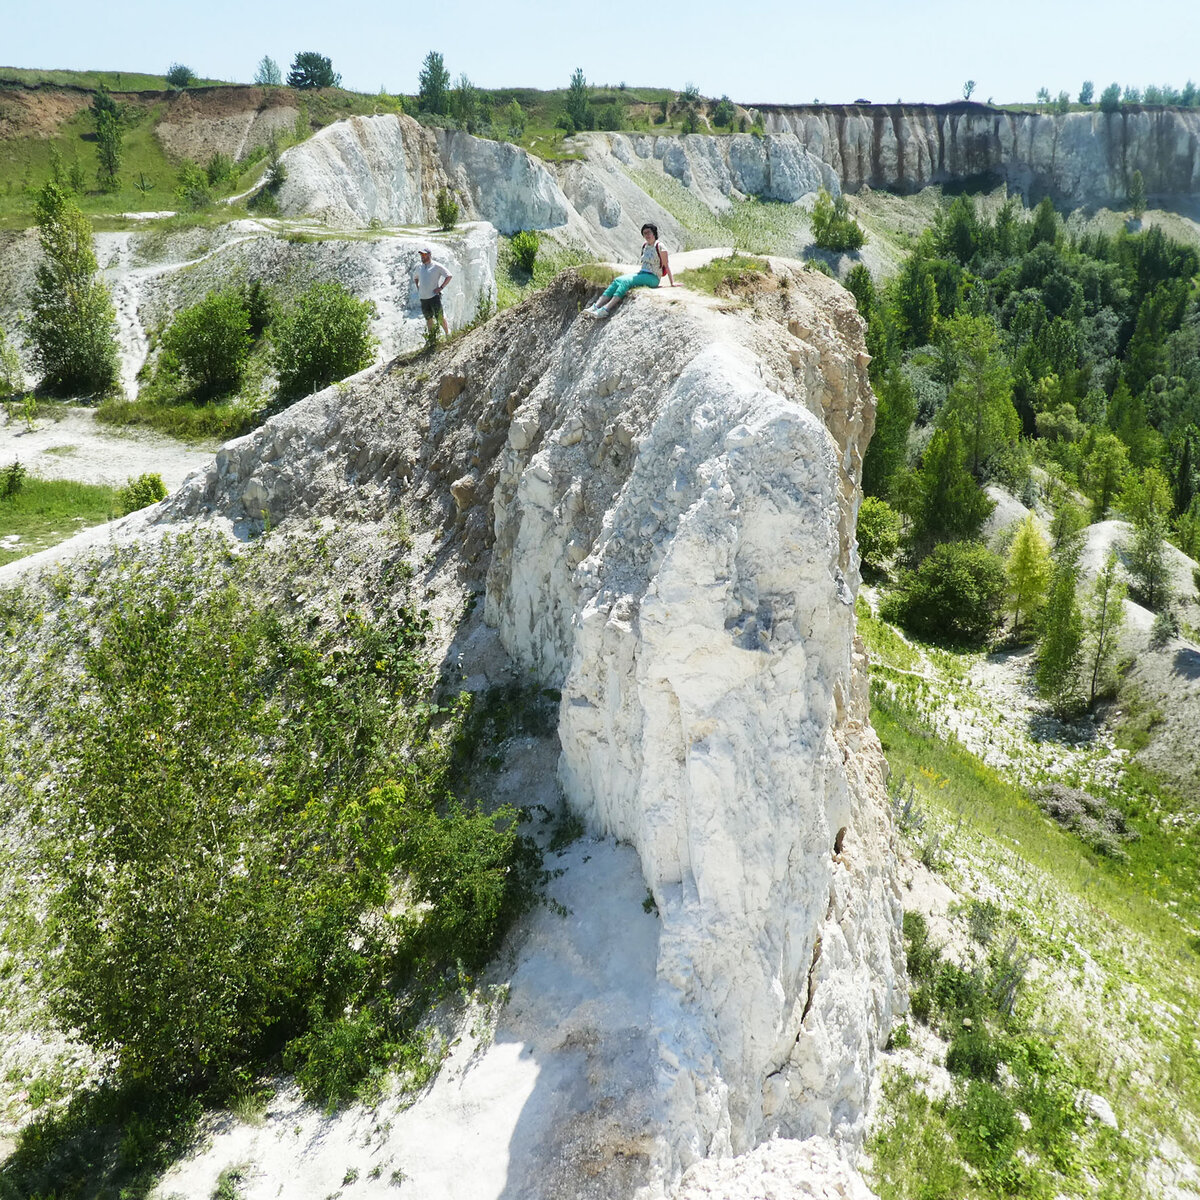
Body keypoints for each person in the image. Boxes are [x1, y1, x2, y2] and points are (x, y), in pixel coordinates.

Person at [584, 223, 677, 318]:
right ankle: (596, 306)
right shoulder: (645, 246)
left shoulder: (660, 246)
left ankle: (606, 309)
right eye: (644, 233)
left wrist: (672, 283)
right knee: (618, 280)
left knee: (627, 282)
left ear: (654, 233)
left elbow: (666, 265)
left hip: (653, 277)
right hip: (642, 274)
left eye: (649, 232)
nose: (647, 235)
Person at [414, 247, 452, 338]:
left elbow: (449, 275)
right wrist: (418, 287)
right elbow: (415, 277)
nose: (422, 257)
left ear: (429, 255)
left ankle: (448, 334)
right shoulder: (419, 267)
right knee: (428, 319)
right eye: (421, 255)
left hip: (434, 296)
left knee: (440, 316)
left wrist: (441, 288)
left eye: (424, 255)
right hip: (423, 298)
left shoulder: (436, 266)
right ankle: (432, 338)